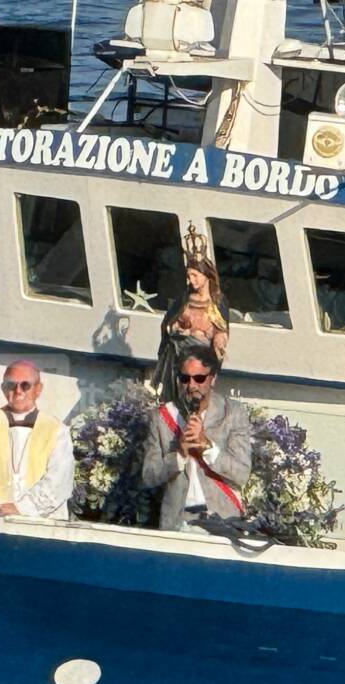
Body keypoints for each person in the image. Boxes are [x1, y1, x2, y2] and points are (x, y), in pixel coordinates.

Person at [142, 346, 252, 532]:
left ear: (213, 378)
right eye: (185, 378)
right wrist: (179, 454)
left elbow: (241, 474)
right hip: (178, 522)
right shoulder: (161, 417)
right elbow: (149, 477)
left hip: (222, 520)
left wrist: (207, 447)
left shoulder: (233, 413)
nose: (192, 386)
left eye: (199, 378)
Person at [0, 360, 74, 519]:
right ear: (3, 389)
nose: (18, 391)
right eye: (11, 385)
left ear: (38, 389)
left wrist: (21, 508)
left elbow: (58, 482)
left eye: (25, 385)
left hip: (42, 524)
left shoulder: (57, 431)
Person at [152, 223, 231, 403]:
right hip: (178, 358)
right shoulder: (183, 300)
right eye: (189, 276)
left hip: (201, 360)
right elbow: (168, 324)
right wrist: (177, 330)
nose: (191, 280)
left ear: (206, 276)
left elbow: (221, 329)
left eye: (195, 275)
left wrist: (216, 340)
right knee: (175, 397)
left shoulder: (217, 302)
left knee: (197, 396)